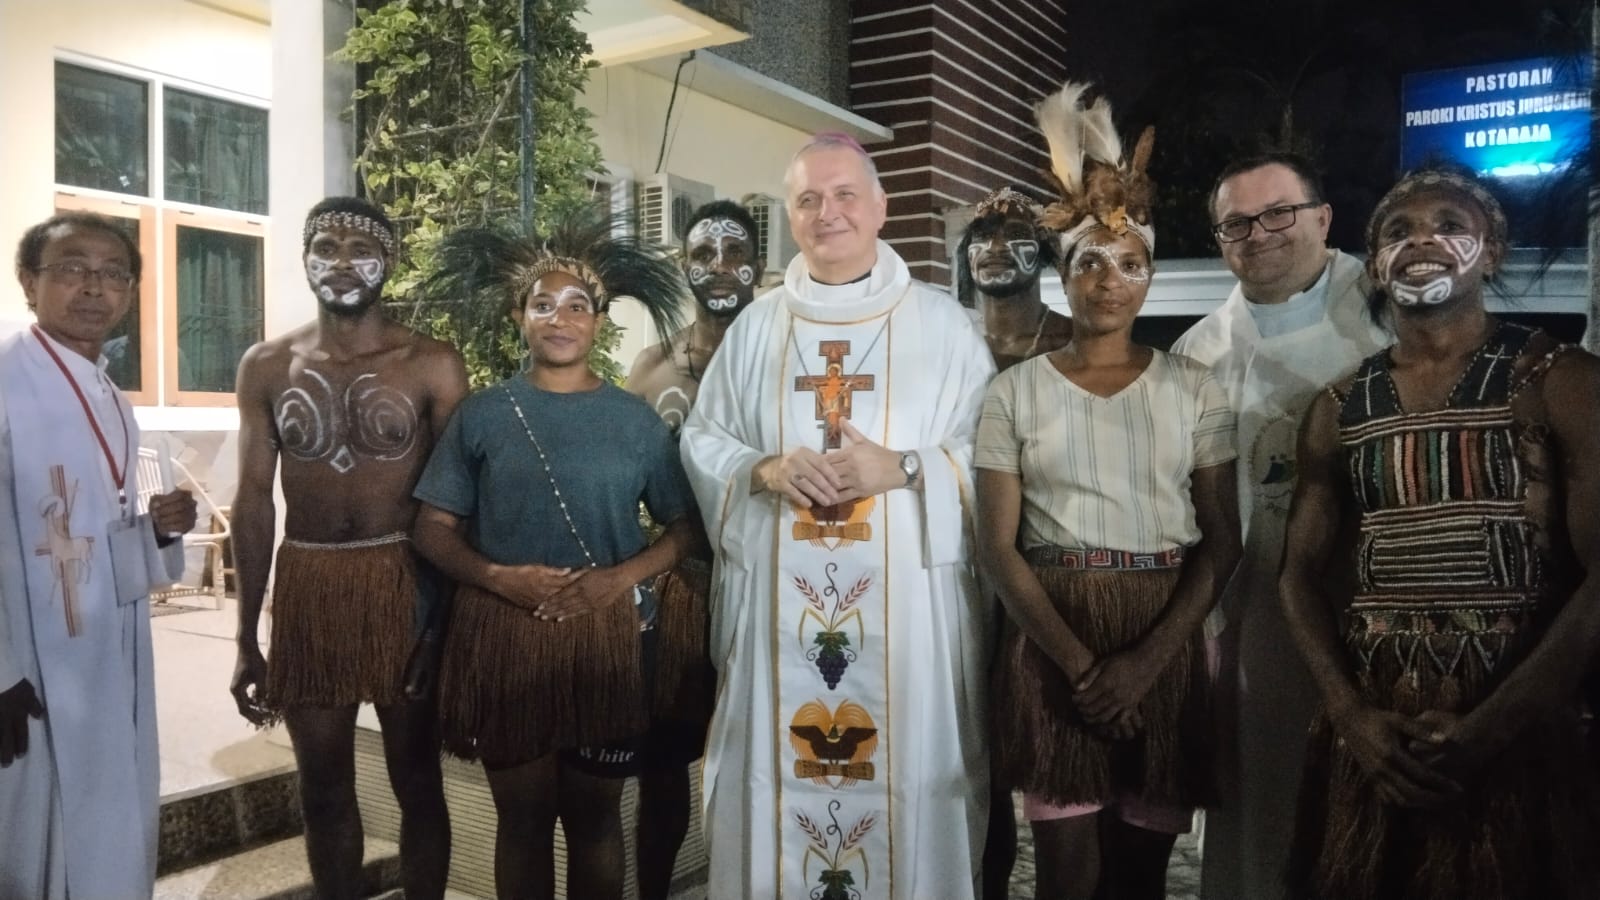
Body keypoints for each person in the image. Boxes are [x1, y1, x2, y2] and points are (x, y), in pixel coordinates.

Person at [679, 131, 996, 900]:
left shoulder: (944, 326)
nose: (828, 213)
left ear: (881, 207)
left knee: (907, 789)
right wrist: (765, 469)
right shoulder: (756, 329)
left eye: (845, 194)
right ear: (790, 217)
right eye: (809, 199)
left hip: (909, 625)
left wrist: (906, 467)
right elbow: (703, 438)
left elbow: (993, 453)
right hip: (776, 623)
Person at [1280, 167, 1600, 899]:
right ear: (1376, 265)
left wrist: (1494, 726)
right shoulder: (1338, 406)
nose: (1423, 240)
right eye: (1399, 231)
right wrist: (1351, 715)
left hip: (1523, 725)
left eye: (1450, 225)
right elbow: (1297, 574)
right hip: (1380, 732)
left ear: (1492, 254)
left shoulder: (1561, 380)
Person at [976, 83, 1240, 900]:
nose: (1109, 279)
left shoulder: (1194, 388)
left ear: (1150, 277)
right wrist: (1085, 667)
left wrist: (1146, 664)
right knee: (1065, 870)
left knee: (1140, 874)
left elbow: (1222, 537)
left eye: (1131, 263)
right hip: (1054, 627)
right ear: (1063, 276)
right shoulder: (1014, 392)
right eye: (1089, 260)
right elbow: (998, 546)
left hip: (1165, 626)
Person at [411, 210, 694, 900]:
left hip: (607, 642)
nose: (559, 318)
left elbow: (686, 528)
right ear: (520, 317)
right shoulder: (484, 413)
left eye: (576, 306)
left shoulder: (634, 421)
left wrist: (617, 581)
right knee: (524, 821)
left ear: (598, 321)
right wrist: (495, 577)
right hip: (506, 640)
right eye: (543, 305)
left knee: (595, 820)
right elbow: (432, 528)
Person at [1167, 151, 1390, 900]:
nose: (1258, 233)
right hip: (1254, 619)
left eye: (1278, 213)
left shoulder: (1390, 315)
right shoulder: (1199, 352)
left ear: (1323, 218)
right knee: (1263, 816)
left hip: (1380, 611)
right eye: (1237, 223)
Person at [231, 197, 464, 899]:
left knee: (417, 779)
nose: (340, 262)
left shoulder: (431, 363)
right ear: (304, 259)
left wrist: (439, 628)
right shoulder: (267, 365)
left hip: (405, 582)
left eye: (360, 248)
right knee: (323, 785)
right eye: (324, 247)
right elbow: (252, 500)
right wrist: (246, 636)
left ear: (389, 261)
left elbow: (457, 504)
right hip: (309, 583)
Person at [0, 212, 196, 898]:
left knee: (105, 818)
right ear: (29, 282)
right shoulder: (6, 379)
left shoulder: (110, 394)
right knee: (30, 835)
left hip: (104, 653)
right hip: (23, 664)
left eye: (114, 274)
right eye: (72, 269)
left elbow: (91, 535)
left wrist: (156, 534)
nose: (94, 287)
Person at [624, 199, 765, 900]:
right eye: (704, 254)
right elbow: (624, 481)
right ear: (684, 264)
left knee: (765, 759)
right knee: (664, 766)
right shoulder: (652, 368)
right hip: (681, 585)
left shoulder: (788, 355)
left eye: (735, 253)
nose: (720, 267)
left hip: (770, 585)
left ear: (758, 265)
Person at [956, 186, 1072, 372]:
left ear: (1044, 251)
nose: (995, 247)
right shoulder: (955, 343)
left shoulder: (1076, 341)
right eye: (983, 235)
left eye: (1017, 234)